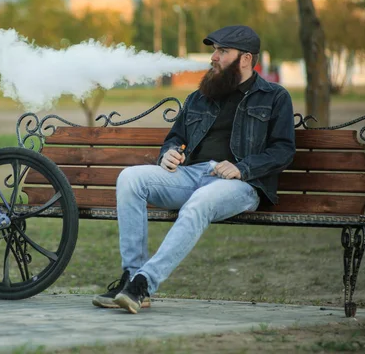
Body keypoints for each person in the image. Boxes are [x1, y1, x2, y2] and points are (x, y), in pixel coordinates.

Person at [92, 25, 296, 314]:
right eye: (215, 50)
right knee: (130, 178)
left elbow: (283, 150)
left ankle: (143, 284)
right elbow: (176, 137)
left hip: (242, 185)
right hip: (193, 175)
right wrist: (169, 154)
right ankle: (131, 277)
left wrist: (242, 168)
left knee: (201, 201)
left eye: (222, 51)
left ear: (246, 59)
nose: (214, 57)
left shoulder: (274, 97)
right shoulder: (200, 96)